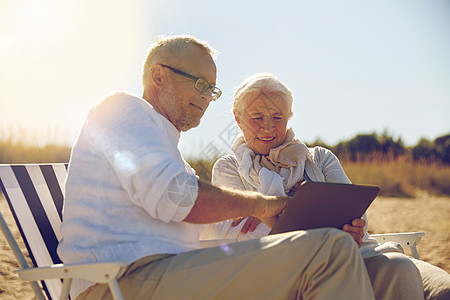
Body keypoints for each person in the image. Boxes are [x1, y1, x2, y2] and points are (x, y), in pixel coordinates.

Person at [57, 35, 376, 300]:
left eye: (212, 89)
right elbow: (177, 197)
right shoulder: (121, 109)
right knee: (330, 249)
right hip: (123, 282)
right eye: (199, 83)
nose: (208, 97)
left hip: (172, 276)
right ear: (158, 76)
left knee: (337, 258)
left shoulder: (169, 151)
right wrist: (264, 204)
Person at [203, 73, 450, 300]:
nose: (268, 127)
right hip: (283, 270)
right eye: (257, 117)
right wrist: (324, 231)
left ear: (289, 117)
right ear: (238, 118)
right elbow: (231, 233)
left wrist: (268, 217)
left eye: (278, 117)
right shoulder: (229, 168)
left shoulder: (320, 158)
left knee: (403, 268)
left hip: (353, 254)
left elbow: (356, 215)